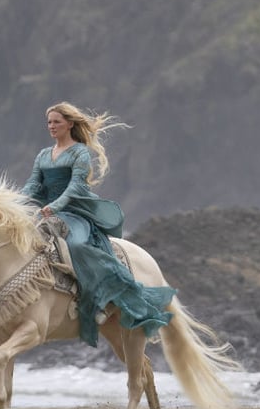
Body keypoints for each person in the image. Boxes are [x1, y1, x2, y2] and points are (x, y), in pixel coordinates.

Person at [21, 102, 175, 346]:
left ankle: (106, 299)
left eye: (56, 122)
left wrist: (55, 207)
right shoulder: (43, 155)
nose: (51, 126)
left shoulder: (79, 153)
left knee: (79, 246)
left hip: (75, 212)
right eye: (49, 122)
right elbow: (33, 184)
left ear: (70, 124)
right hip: (46, 213)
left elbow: (75, 187)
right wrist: (15, 202)